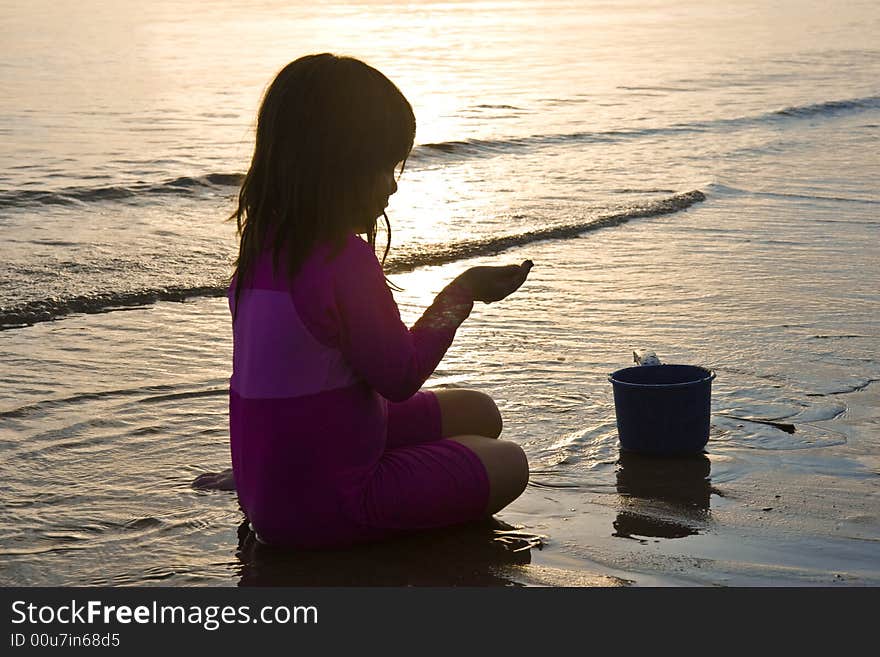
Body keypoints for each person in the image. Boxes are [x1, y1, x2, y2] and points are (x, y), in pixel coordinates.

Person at [207, 53, 532, 549]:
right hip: (333, 503)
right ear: (340, 167)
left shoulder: (261, 252)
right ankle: (355, 512)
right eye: (385, 165)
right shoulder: (343, 258)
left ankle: (267, 485)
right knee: (511, 462)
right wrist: (461, 293)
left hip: (270, 486)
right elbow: (399, 377)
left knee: (480, 412)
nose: (395, 183)